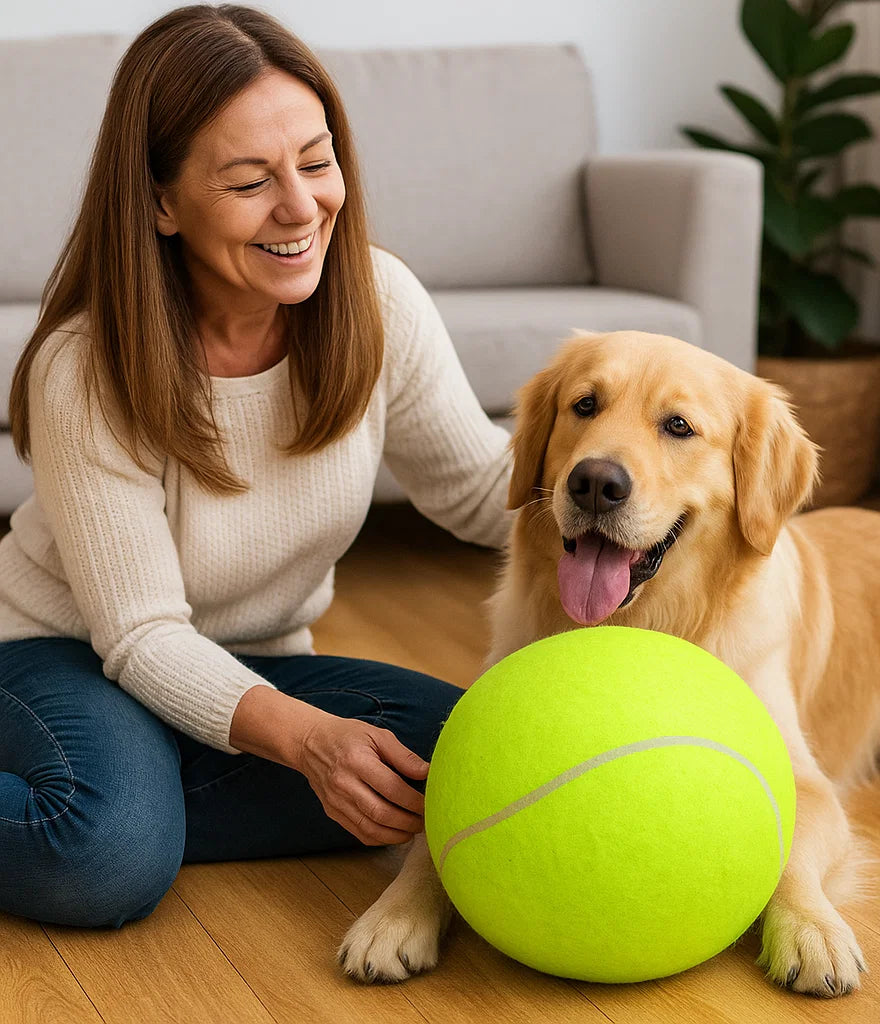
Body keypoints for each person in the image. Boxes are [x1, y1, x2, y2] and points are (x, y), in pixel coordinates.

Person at [0, 4, 512, 929]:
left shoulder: (380, 302)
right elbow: (142, 636)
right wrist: (309, 744)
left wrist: (641, 498)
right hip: (60, 653)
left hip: (253, 663)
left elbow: (481, 489)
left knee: (493, 758)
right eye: (249, 181)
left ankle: (138, 784)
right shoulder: (87, 367)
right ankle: (118, 803)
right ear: (161, 203)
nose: (301, 207)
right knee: (104, 857)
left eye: (316, 163)